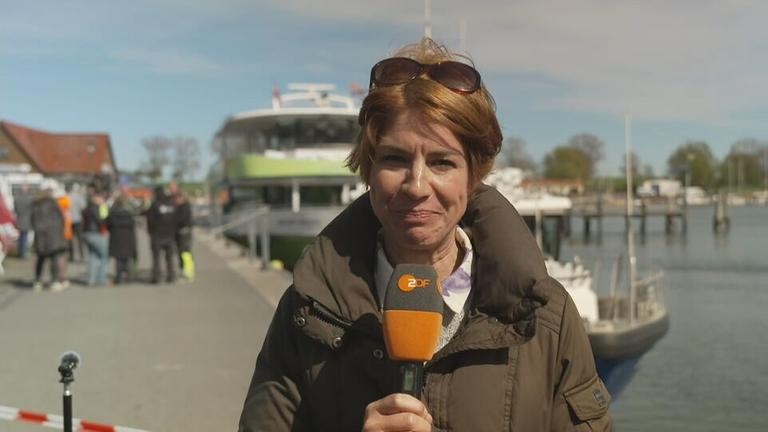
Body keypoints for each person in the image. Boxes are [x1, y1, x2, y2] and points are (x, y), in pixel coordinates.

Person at [238, 38, 612, 431]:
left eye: (442, 161)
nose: (416, 185)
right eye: (395, 159)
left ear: (474, 176)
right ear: (369, 169)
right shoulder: (306, 312)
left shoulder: (547, 317)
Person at [30, 188, 67, 291]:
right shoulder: (53, 204)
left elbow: (32, 220)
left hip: (40, 234)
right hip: (53, 234)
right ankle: (55, 281)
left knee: (40, 259)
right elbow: (62, 218)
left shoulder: (35, 205)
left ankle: (37, 281)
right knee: (54, 258)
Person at [145, 186, 177, 284]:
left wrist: (150, 231)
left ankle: (156, 277)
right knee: (169, 258)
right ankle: (171, 276)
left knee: (156, 258)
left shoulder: (155, 205)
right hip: (170, 235)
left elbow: (150, 220)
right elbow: (176, 220)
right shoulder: (172, 204)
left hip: (157, 235)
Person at [106, 194, 137, 284]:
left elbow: (108, 224)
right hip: (128, 238)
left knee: (118, 259)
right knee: (127, 258)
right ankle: (129, 277)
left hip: (116, 238)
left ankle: (119, 277)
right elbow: (132, 225)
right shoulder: (129, 214)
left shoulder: (112, 214)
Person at [82, 191, 110, 286]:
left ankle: (91, 279)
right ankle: (101, 279)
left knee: (93, 256)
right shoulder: (97, 208)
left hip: (86, 233)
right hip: (96, 234)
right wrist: (104, 208)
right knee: (104, 256)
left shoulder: (86, 208)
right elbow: (102, 220)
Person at [13, 185, 34, 259]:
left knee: (21, 237)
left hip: (19, 220)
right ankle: (23, 254)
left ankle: (20, 252)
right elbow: (32, 210)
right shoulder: (30, 199)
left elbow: (15, 210)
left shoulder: (16, 198)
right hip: (27, 220)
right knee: (25, 237)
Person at [68, 183, 86, 262]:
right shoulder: (79, 197)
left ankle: (71, 256)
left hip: (69, 220)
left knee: (70, 239)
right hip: (78, 220)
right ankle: (82, 256)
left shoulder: (67, 197)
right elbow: (84, 208)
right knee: (80, 239)